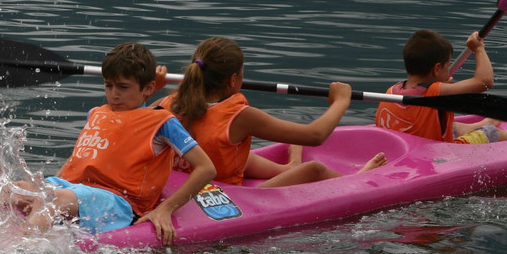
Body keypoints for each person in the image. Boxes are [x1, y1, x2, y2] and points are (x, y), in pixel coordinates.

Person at [6, 42, 216, 245]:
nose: (114, 94)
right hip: (75, 189)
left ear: (148, 88)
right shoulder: (96, 114)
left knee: (54, 199)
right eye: (109, 85)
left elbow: (206, 168)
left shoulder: (164, 123)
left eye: (123, 87)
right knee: (9, 190)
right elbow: (79, 158)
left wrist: (166, 209)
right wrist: (45, 186)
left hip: (119, 202)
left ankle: (20, 250)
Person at [161, 36, 385, 188]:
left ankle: (289, 168)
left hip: (180, 185)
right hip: (225, 198)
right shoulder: (241, 117)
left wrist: (151, 87)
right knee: (314, 169)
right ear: (233, 80)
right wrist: (341, 100)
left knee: (236, 153)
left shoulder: (167, 103)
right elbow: (315, 136)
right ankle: (357, 182)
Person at [375, 28, 507, 143]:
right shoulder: (436, 92)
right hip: (435, 153)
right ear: (437, 69)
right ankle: (491, 129)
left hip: (404, 145)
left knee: (451, 126)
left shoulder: (391, 91)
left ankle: (482, 123)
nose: (449, 69)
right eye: (448, 65)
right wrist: (479, 49)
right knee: (488, 133)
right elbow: (484, 82)